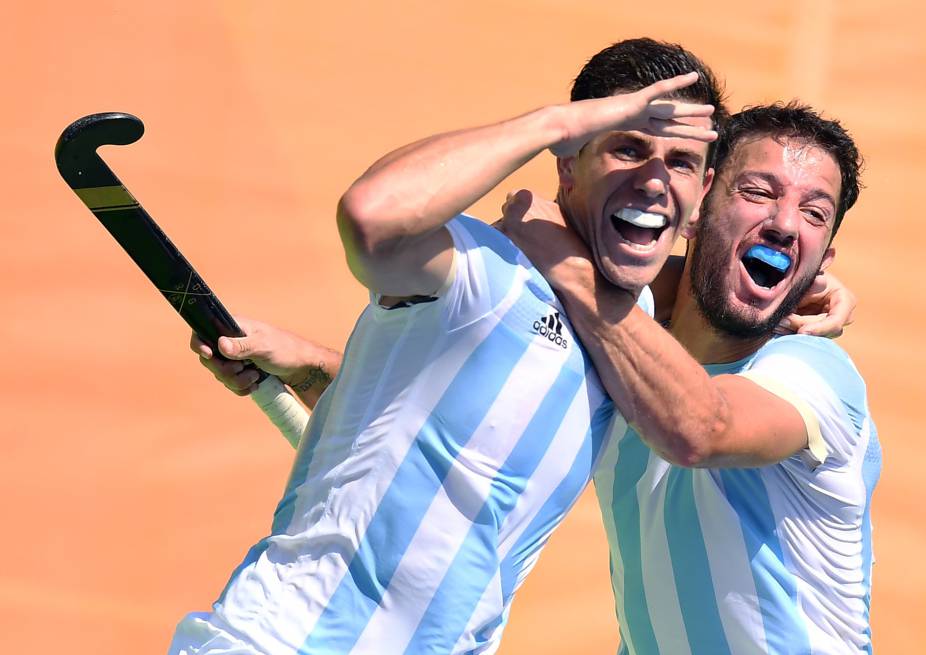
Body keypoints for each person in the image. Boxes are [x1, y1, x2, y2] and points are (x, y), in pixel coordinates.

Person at [169, 38, 726, 655]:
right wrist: (554, 123)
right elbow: (371, 216)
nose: (653, 180)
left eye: (679, 162)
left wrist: (805, 287)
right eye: (627, 146)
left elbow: (449, 434)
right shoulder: (487, 269)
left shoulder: (637, 323)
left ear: (702, 194)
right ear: (568, 165)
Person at [499, 102, 880, 653]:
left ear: (823, 261)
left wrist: (566, 264)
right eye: (758, 192)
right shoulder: (619, 352)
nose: (786, 222)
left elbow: (699, 426)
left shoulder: (817, 373)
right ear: (697, 208)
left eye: (814, 213)